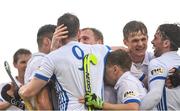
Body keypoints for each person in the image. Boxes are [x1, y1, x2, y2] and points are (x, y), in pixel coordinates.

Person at [18, 13, 110, 110]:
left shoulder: (52, 58)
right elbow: (123, 50)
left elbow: (29, 92)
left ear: (58, 33)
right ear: (78, 33)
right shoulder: (99, 50)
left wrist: (20, 90)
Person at [82, 49, 147, 110]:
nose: (104, 75)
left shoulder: (126, 83)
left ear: (115, 69)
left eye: (105, 70)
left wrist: (101, 104)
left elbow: (133, 108)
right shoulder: (130, 80)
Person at [140, 23, 180, 110]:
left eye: (155, 38)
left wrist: (134, 109)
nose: (152, 41)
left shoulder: (158, 62)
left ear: (166, 43)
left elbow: (155, 96)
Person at [24, 24, 58, 110]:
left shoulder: (37, 61)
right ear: (47, 41)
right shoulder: (41, 61)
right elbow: (42, 100)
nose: (62, 45)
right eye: (59, 41)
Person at [123, 20, 154, 87]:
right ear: (125, 42)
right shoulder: (119, 62)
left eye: (143, 39)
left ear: (147, 38)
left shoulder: (154, 59)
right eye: (135, 40)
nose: (140, 44)